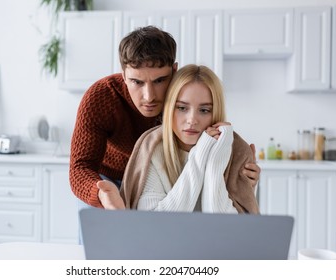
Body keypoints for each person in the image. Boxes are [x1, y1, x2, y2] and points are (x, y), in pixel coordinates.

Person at [69, 26, 260, 212]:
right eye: (137, 82)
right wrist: (100, 193)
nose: (149, 96)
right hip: (106, 178)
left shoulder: (181, 94)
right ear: (124, 75)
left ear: (174, 70)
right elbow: (80, 167)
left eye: (159, 80)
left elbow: (208, 124)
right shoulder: (101, 97)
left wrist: (240, 175)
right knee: (97, 237)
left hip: (158, 173)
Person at [98, 64, 259, 214]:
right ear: (169, 108)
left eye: (204, 110)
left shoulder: (235, 151)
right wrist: (200, 155)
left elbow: (228, 230)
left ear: (215, 111)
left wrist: (214, 162)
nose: (192, 119)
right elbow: (155, 225)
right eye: (182, 108)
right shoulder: (153, 149)